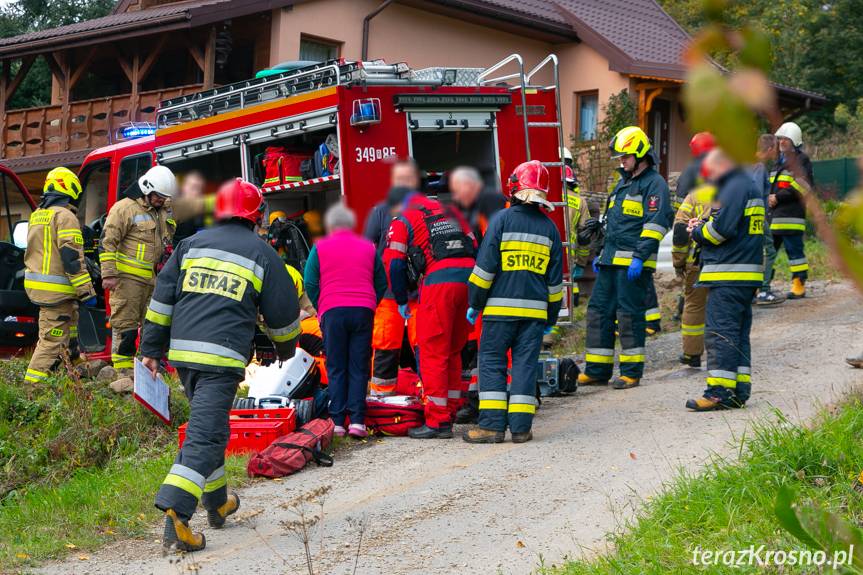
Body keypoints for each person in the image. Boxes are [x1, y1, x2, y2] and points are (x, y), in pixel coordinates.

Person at [141, 178, 300, 552]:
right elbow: (283, 314)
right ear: (256, 215)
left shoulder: (189, 245)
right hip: (221, 360)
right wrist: (285, 348)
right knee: (206, 436)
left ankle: (217, 503)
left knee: (209, 427)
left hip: (184, 359)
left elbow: (162, 300)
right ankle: (177, 516)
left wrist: (150, 348)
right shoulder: (262, 253)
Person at [463, 161, 563, 444]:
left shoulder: (501, 221)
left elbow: (484, 272)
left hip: (499, 313)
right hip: (533, 317)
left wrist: (475, 302)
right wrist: (550, 319)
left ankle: (492, 428)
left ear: (514, 187)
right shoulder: (550, 230)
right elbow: (555, 287)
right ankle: (521, 429)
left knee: (492, 363)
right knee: (524, 367)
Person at [577, 126, 673, 390]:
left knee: (629, 315)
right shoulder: (623, 183)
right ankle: (597, 370)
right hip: (610, 262)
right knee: (598, 312)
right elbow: (613, 223)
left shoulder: (655, 184)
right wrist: (601, 252)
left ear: (640, 154)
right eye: (619, 157)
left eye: (625, 156)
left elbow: (656, 223)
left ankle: (631, 372)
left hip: (633, 264)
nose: (621, 161)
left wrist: (640, 258)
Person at [385, 176, 476, 439]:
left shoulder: (405, 218)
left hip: (439, 284)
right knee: (455, 348)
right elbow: (475, 246)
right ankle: (453, 407)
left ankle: (438, 422)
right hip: (469, 281)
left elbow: (394, 263)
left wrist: (401, 299)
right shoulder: (454, 213)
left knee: (433, 351)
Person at [686, 149, 764, 411]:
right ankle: (738, 391)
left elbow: (722, 230)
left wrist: (697, 231)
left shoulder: (734, 185)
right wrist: (706, 222)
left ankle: (718, 392)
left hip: (728, 274)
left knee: (721, 333)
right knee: (738, 335)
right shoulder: (748, 184)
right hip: (745, 275)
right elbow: (733, 224)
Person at [304, 203, 387, 439]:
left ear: (331, 226)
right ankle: (358, 422)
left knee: (336, 366)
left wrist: (322, 307)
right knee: (359, 366)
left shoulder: (320, 248)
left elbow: (310, 282)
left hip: (333, 312)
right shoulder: (368, 248)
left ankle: (338, 422)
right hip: (363, 310)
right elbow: (381, 282)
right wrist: (371, 303)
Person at [100, 165, 177, 376]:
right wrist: (108, 274)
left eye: (165, 197)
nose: (162, 201)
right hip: (127, 281)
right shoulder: (124, 209)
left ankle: (145, 371)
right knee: (126, 327)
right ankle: (123, 375)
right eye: (159, 197)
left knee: (152, 327)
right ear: (146, 188)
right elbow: (107, 242)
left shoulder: (161, 210)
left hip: (153, 282)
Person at [22, 167, 97, 384]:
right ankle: (31, 390)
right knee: (51, 343)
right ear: (70, 187)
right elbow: (71, 259)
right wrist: (87, 292)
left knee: (69, 337)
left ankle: (71, 381)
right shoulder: (65, 216)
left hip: (43, 290)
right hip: (59, 292)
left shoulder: (37, 215)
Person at [446, 166, 506, 425]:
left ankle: (490, 405)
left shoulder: (489, 204)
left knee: (491, 351)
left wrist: (477, 296)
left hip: (493, 290)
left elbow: (489, 252)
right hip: (489, 290)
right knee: (477, 351)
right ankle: (476, 402)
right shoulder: (486, 205)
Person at [367, 160, 420, 396]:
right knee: (386, 347)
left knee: (425, 347)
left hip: (419, 294)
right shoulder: (380, 210)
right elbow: (367, 251)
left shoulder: (424, 210)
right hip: (389, 293)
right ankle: (381, 399)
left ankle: (430, 398)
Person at [671, 173, 715, 368]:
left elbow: (680, 232)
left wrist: (679, 263)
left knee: (694, 305)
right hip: (727, 262)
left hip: (697, 263)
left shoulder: (695, 196)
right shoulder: (735, 193)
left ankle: (692, 353)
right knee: (723, 307)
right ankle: (723, 350)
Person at [769, 121, 814, 299]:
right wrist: (768, 197)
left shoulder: (801, 160)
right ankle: (763, 285)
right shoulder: (777, 163)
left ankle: (798, 284)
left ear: (794, 140)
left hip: (791, 217)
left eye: (785, 139)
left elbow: (803, 185)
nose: (781, 142)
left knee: (795, 253)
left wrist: (777, 197)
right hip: (774, 218)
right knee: (768, 253)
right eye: (779, 139)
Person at [751, 134, 784, 305]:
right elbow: (755, 193)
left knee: (754, 252)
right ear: (770, 149)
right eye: (776, 149)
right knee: (768, 250)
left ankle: (751, 291)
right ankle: (764, 290)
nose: (777, 152)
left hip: (750, 216)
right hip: (756, 217)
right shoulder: (760, 167)